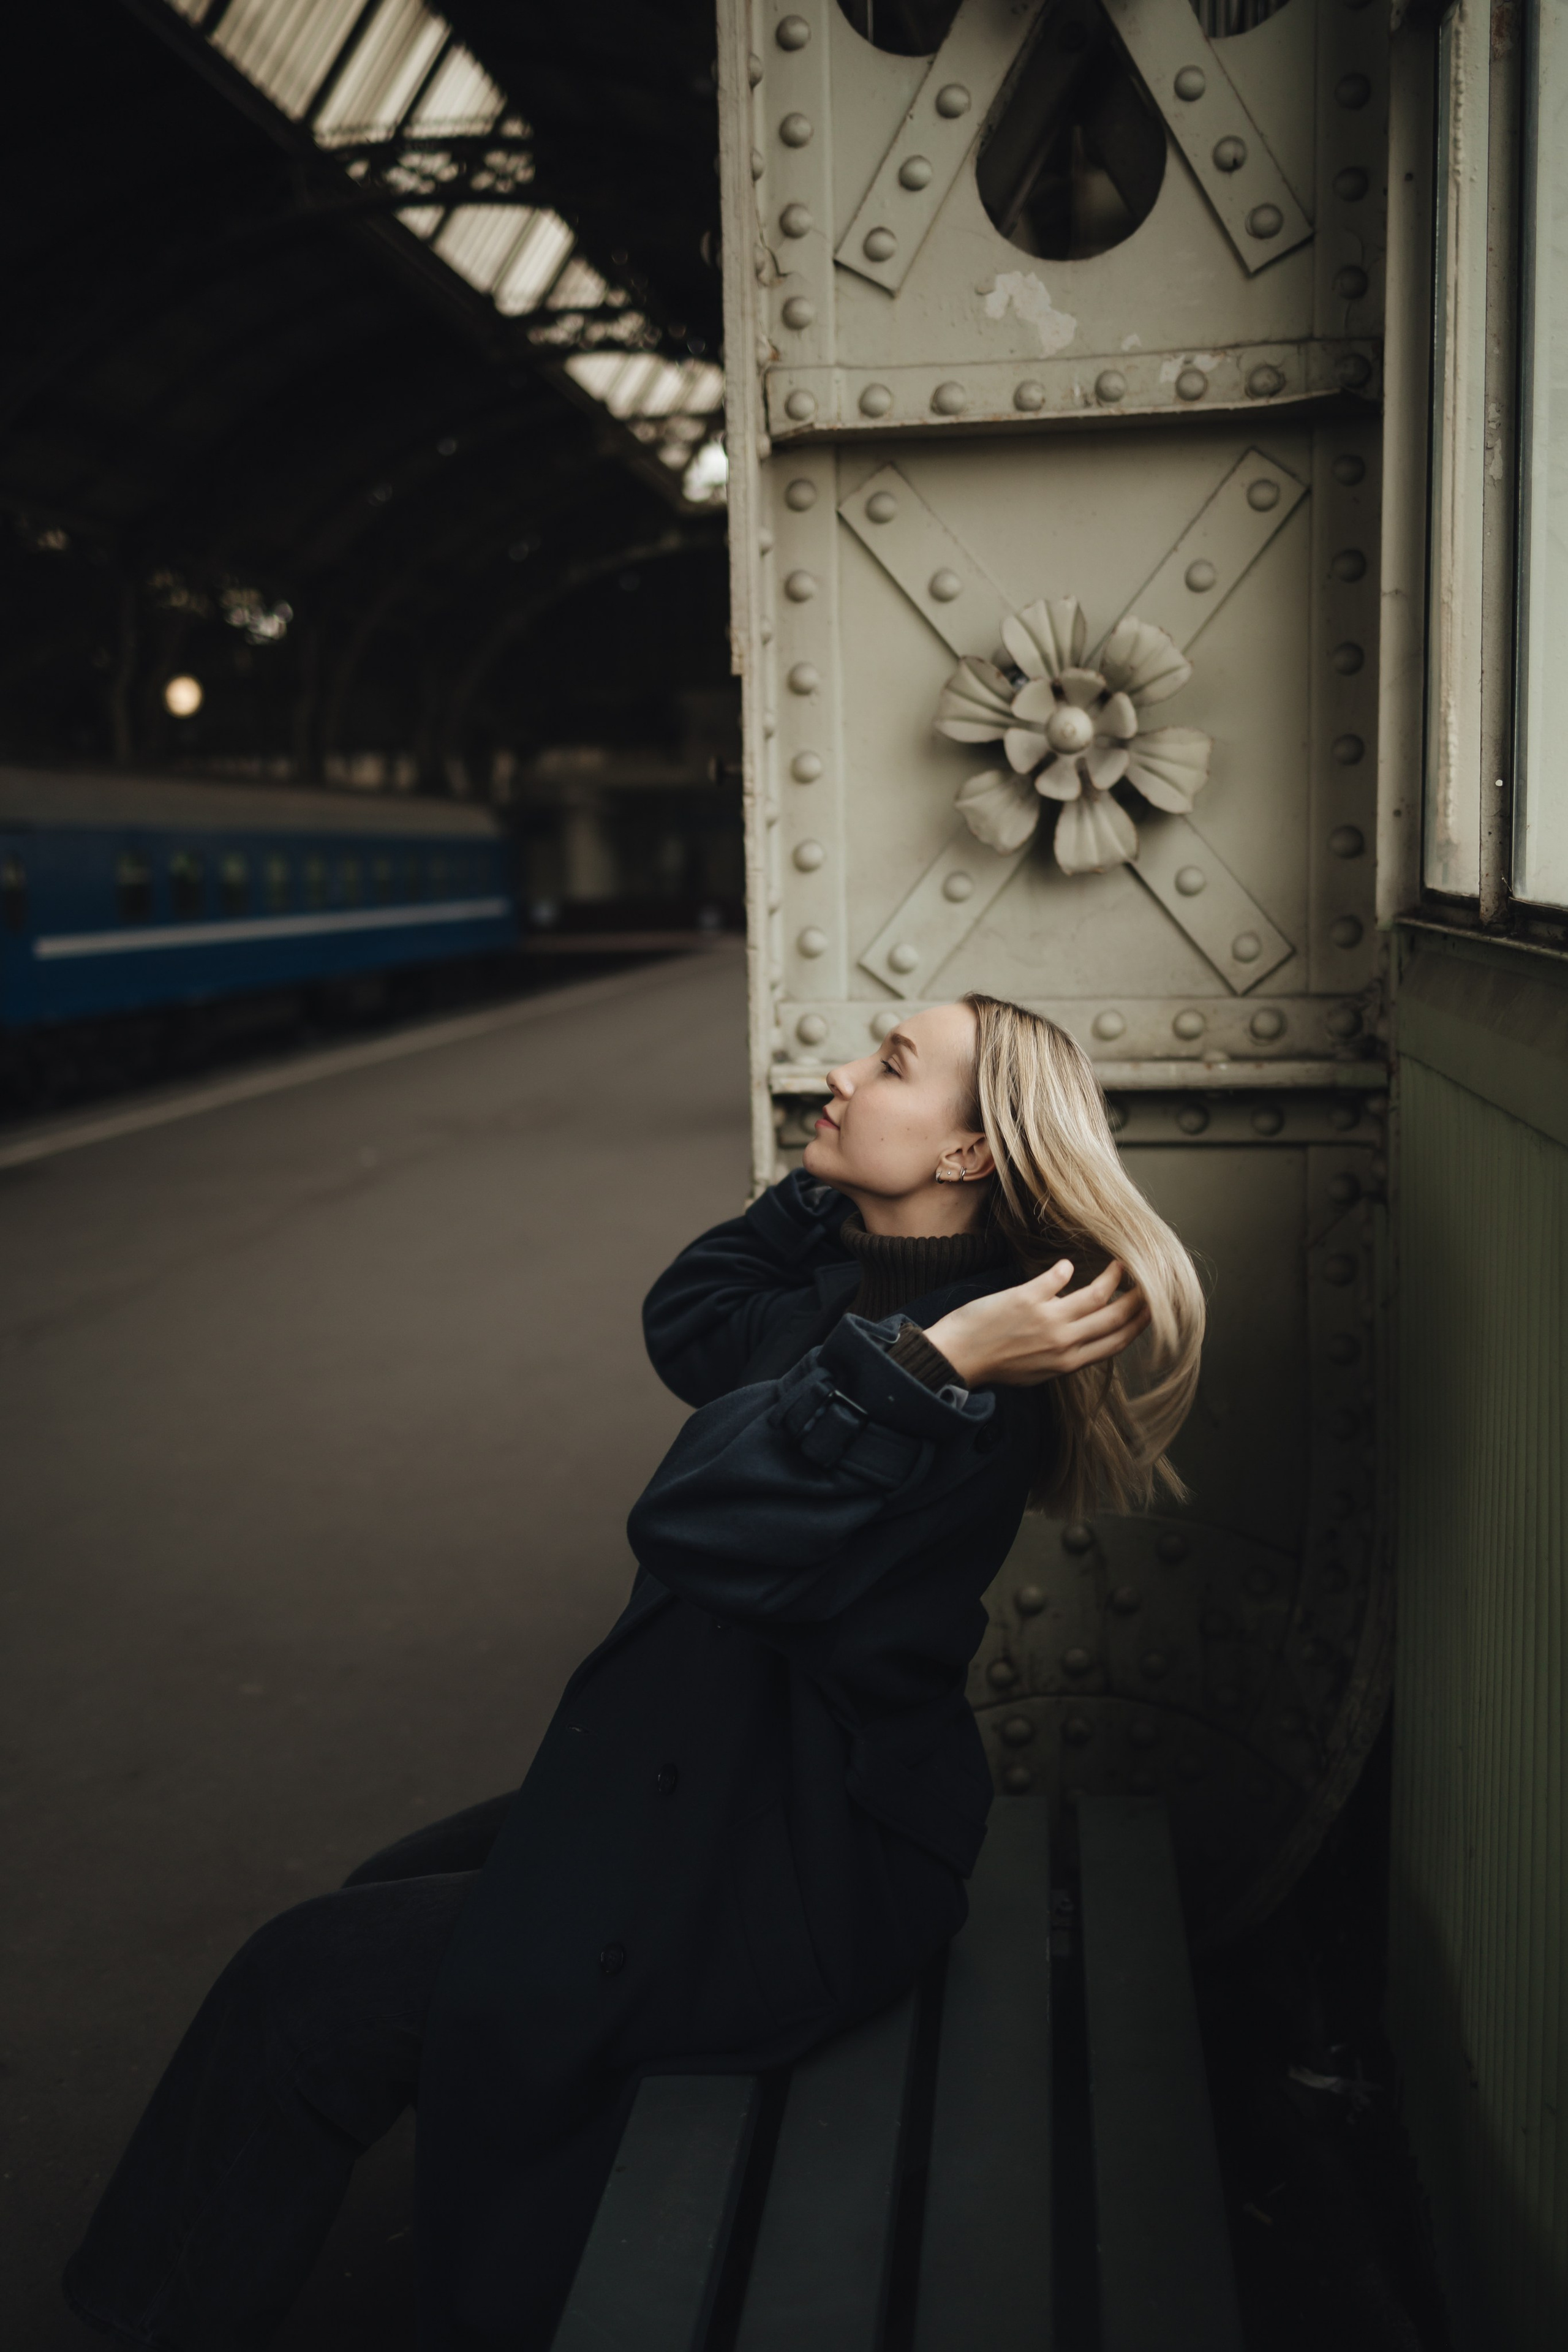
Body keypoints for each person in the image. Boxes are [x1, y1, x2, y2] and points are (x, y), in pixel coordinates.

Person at [64, 993, 1203, 2351]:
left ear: (965, 1156)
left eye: (889, 1065)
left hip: (791, 1864)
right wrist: (819, 1196)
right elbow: (694, 1319)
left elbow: (700, 1526)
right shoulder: (854, 1295)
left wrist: (932, 1361)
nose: (837, 1073)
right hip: (704, 1777)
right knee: (386, 1894)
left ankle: (145, 2323)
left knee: (301, 1982)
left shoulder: (966, 1380)